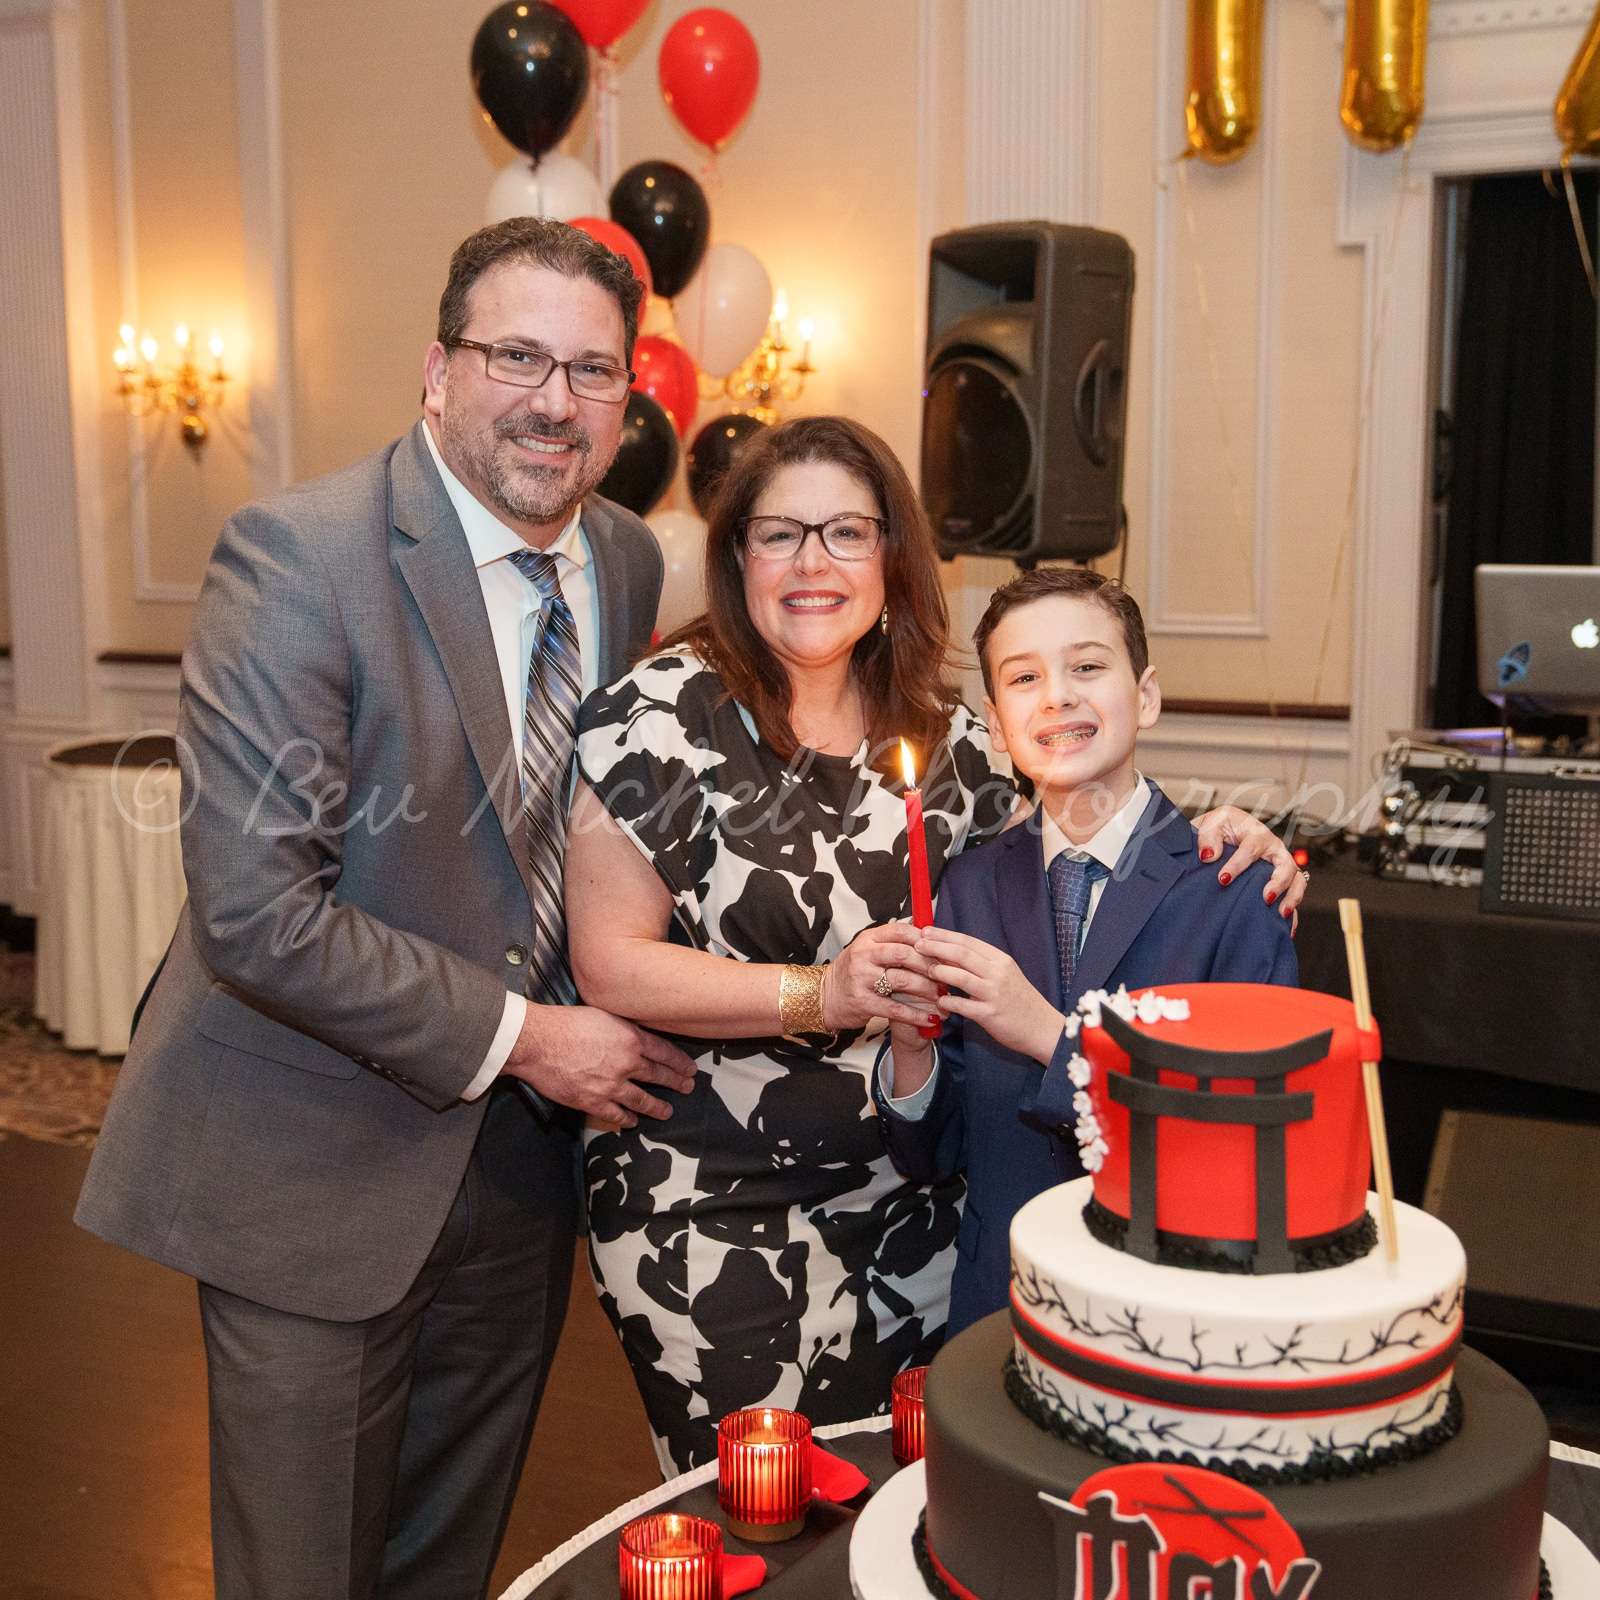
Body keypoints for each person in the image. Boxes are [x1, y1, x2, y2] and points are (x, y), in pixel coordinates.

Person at [75, 218, 695, 1600]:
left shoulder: (625, 561)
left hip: (519, 1177)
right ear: (437, 369)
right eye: (517, 356)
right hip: (311, 1159)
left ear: (626, 397)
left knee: (444, 1567)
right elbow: (258, 916)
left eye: (592, 370)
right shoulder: (297, 558)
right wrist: (532, 1038)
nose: (554, 401)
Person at [563, 416, 1306, 1472]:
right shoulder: (659, 714)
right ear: (736, 557)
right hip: (718, 1198)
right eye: (778, 534)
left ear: (891, 555)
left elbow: (1083, 821)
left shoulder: (950, 737)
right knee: (764, 1503)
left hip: (926, 1209)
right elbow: (609, 961)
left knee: (913, 1496)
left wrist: (1225, 832)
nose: (813, 563)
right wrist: (825, 994)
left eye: (846, 533)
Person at [875, 566, 1298, 1337]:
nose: (1057, 697)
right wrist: (912, 1052)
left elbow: (1241, 1143)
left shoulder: (1233, 888)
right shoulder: (968, 886)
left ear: (1147, 696)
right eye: (1024, 678)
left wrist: (1046, 1033)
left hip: (1170, 1310)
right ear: (996, 725)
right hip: (999, 1303)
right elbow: (936, 1153)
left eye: (1088, 667)